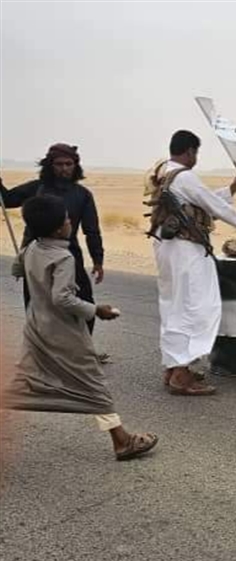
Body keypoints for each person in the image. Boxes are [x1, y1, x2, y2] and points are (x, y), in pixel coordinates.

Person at [2, 195, 158, 461]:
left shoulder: (31, 248)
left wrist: (31, 267)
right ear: (57, 230)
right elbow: (62, 298)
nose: (70, 222)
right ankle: (122, 441)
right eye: (66, 219)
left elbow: (17, 270)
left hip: (36, 327)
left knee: (26, 379)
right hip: (64, 332)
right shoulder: (63, 257)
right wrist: (96, 310)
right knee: (92, 381)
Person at [151, 130, 236, 396]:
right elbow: (214, 206)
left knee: (175, 308)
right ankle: (181, 376)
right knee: (197, 308)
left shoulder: (164, 173)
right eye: (196, 152)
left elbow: (199, 202)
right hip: (186, 251)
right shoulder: (184, 176)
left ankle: (174, 367)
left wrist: (231, 189)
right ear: (190, 151)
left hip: (168, 249)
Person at [1, 144, 109, 363]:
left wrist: (98, 260)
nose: (64, 168)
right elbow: (8, 199)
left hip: (69, 254)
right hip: (35, 254)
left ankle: (83, 350)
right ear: (50, 166)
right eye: (59, 164)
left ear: (75, 166)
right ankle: (40, 353)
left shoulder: (82, 195)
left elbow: (92, 230)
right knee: (36, 305)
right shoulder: (36, 188)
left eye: (69, 164)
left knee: (84, 301)